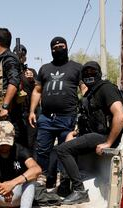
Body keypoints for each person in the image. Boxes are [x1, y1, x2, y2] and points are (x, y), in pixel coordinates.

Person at [55, 61, 123, 204]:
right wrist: (74, 133)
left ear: (99, 73)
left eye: (92, 72)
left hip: (104, 136)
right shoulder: (92, 93)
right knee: (67, 145)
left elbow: (120, 115)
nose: (88, 75)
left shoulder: (106, 88)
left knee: (62, 150)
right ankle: (65, 185)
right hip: (94, 135)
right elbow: (87, 120)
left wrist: (108, 143)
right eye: (85, 73)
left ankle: (79, 191)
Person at [28, 37, 87, 188]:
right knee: (42, 152)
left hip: (67, 118)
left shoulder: (76, 67)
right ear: (51, 50)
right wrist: (32, 111)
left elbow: (84, 89)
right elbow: (37, 90)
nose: (59, 49)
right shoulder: (45, 68)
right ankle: (41, 184)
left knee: (65, 152)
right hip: (46, 118)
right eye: (55, 47)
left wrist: (85, 109)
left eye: (62, 46)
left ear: (66, 47)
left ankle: (64, 184)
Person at [16, 45, 39, 152]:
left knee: (31, 143)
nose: (20, 57)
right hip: (15, 112)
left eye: (22, 55)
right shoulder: (10, 71)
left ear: (25, 57)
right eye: (17, 54)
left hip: (30, 112)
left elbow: (39, 90)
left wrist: (32, 79)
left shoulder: (32, 71)